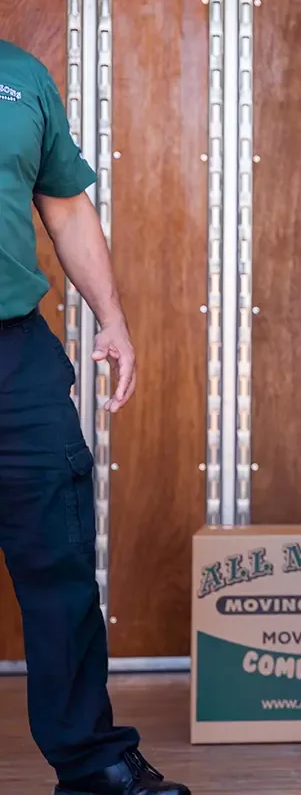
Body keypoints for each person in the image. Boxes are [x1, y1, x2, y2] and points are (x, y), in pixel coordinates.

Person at [0, 40, 188, 795]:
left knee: (60, 560)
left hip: (15, 352)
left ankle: (91, 764)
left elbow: (66, 203)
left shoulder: (21, 76)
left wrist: (110, 315)